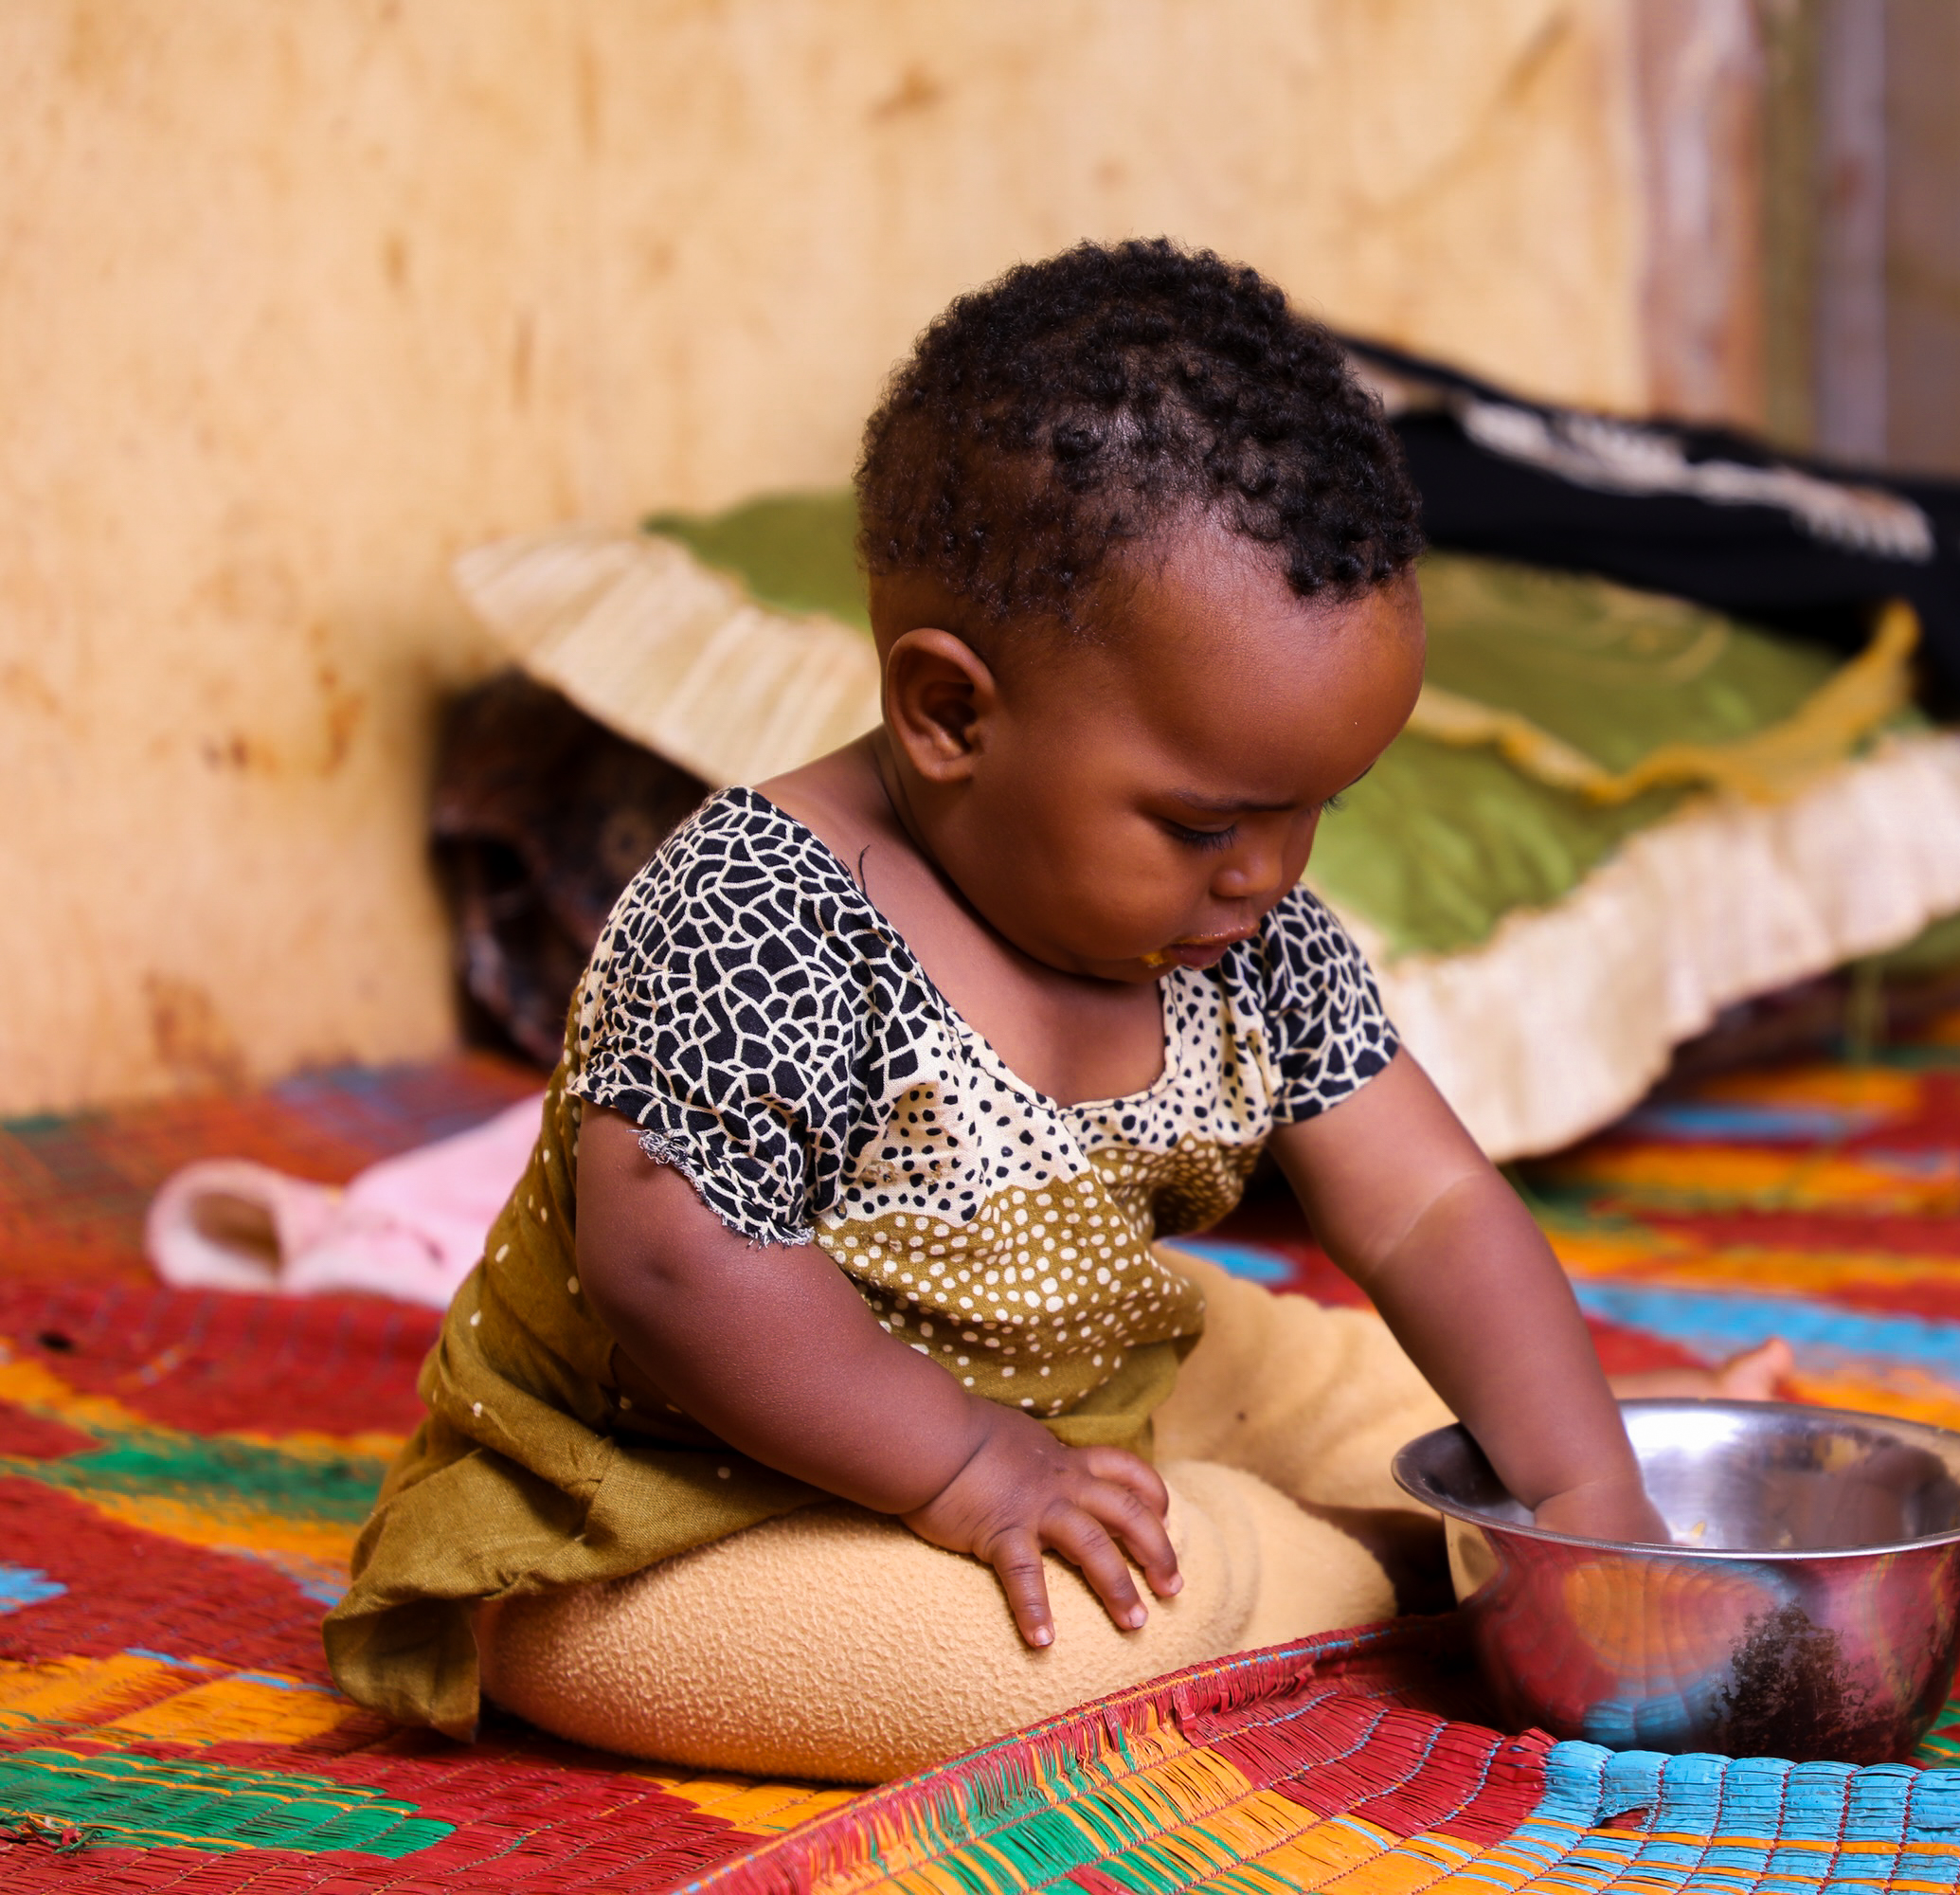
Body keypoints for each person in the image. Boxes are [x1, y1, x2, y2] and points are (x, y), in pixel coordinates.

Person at [325, 240, 1785, 1784]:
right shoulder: (767, 915)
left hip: (1077, 1365)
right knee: (1035, 1659)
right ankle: (1333, 1569)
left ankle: (1528, 1505)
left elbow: (1426, 1205)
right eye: (1208, 821)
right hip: (676, 1496)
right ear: (951, 712)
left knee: (1325, 1368)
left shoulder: (1253, 927)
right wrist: (967, 1466)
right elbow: (676, 1259)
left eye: (1317, 813)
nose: (1268, 876)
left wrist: (1589, 1499)